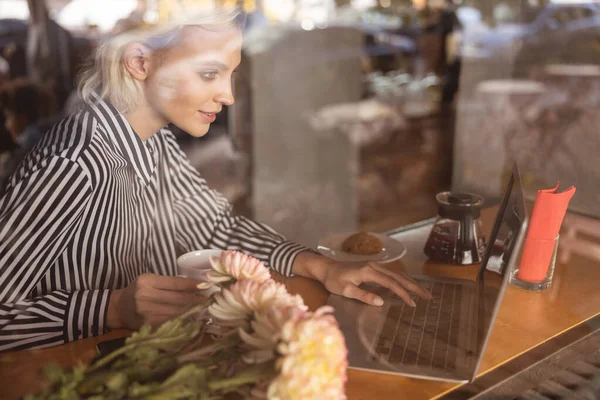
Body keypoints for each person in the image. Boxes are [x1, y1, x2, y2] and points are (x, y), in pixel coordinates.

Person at [0, 8, 431, 352]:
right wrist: (110, 308)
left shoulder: (153, 141)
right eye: (209, 74)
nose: (227, 95)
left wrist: (319, 264)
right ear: (139, 62)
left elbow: (217, 227)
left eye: (230, 74)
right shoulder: (73, 164)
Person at [0, 79, 56, 195]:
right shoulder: (56, 143)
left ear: (22, 118)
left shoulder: (19, 161)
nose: (7, 124)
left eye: (9, 117)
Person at [26, 0, 76, 111]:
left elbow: (63, 61)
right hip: (37, 86)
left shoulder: (57, 31)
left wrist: (55, 79)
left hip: (55, 85)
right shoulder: (32, 30)